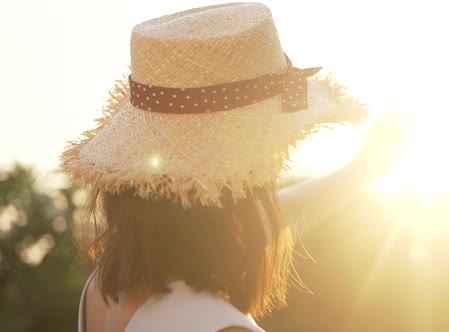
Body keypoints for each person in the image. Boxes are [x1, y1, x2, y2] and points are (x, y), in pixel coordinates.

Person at [61, 2, 413, 332]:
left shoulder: (104, 289)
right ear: (233, 185)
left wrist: (358, 172)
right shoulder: (220, 325)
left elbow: (272, 216)